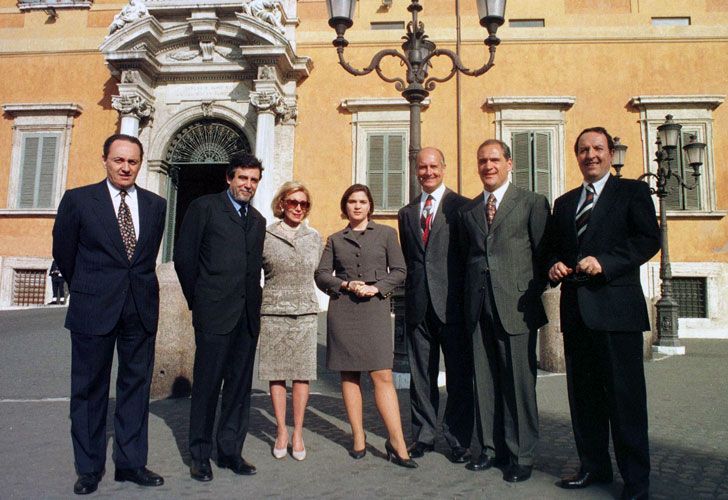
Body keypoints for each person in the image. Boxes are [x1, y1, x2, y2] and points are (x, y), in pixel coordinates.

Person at [547, 127, 659, 500]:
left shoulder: (633, 192)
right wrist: (554, 266)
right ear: (576, 156)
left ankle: (636, 481)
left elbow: (648, 240)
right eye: (582, 150)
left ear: (610, 152)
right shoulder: (564, 204)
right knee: (584, 399)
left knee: (625, 401)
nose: (590, 155)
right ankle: (593, 466)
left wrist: (605, 263)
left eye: (597, 148)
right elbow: (551, 250)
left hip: (617, 312)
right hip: (577, 313)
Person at [52, 133, 167, 495]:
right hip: (93, 308)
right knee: (89, 390)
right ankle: (89, 468)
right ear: (105, 160)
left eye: (132, 161)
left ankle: (131, 464)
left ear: (140, 163)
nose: (125, 167)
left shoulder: (156, 204)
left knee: (136, 388)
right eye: (119, 160)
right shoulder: (79, 200)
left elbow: (144, 259)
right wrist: (89, 289)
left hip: (140, 309)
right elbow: (65, 254)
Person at [458, 139, 550, 482]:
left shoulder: (531, 203)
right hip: (479, 305)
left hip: (516, 306)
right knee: (484, 380)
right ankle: (490, 448)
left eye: (495, 159)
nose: (488, 166)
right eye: (482, 161)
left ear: (509, 163)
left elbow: (542, 255)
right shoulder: (468, 211)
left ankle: (521, 454)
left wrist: (526, 292)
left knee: (518, 383)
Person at [173, 152, 266, 482]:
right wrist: (199, 301)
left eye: (254, 180)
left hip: (246, 318)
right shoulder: (204, 208)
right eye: (243, 178)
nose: (248, 185)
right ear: (229, 178)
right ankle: (199, 455)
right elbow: (184, 258)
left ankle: (230, 451)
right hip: (213, 314)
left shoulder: (257, 220)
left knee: (240, 389)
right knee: (208, 386)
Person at [314, 184, 416, 468]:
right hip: (344, 309)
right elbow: (321, 274)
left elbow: (399, 271)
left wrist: (376, 288)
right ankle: (358, 437)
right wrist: (344, 283)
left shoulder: (386, 234)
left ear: (370, 206)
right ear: (344, 207)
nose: (357, 206)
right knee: (349, 375)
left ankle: (397, 441)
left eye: (362, 201)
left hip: (375, 309)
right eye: (351, 202)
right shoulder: (335, 239)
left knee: (382, 374)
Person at [397, 147, 472, 463]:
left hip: (453, 305)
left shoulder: (463, 208)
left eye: (433, 166)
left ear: (444, 167)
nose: (427, 172)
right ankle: (424, 436)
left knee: (458, 375)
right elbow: (413, 260)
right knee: (421, 376)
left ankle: (458, 439)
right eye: (422, 167)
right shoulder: (407, 212)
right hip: (419, 305)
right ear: (416, 170)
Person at [258, 181, 322, 461]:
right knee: (276, 372)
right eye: (293, 202)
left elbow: (323, 272)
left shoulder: (315, 237)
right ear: (281, 203)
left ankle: (298, 431)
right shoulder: (265, 235)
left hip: (306, 313)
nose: (298, 208)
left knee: (301, 373)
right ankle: (281, 429)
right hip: (273, 311)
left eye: (303, 204)